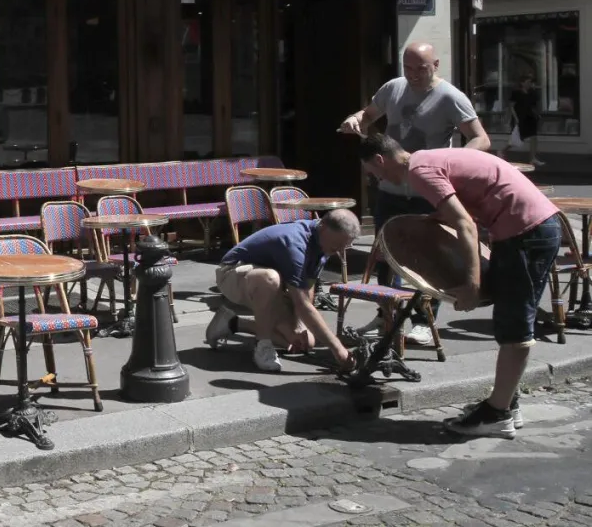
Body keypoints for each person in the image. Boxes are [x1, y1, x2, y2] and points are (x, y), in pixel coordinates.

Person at [358, 133, 560, 438]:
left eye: (373, 173)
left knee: (515, 323)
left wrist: (471, 284)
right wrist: (432, 220)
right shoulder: (427, 158)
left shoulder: (419, 172)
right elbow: (464, 202)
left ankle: (498, 414)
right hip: (531, 227)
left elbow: (466, 224)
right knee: (511, 320)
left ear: (379, 160)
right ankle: (507, 401)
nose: (376, 179)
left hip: (525, 231)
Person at [339, 42, 490, 345]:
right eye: (407, 68)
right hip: (391, 187)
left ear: (435, 65)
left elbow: (481, 139)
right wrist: (356, 119)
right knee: (386, 254)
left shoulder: (450, 97)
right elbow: (368, 115)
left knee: (427, 256)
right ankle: (387, 315)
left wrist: (450, 163)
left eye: (420, 69)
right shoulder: (394, 88)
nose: (413, 75)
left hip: (428, 188)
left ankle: (424, 319)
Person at [206, 210, 362, 373]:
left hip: (272, 286)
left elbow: (307, 287)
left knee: (306, 341)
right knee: (270, 278)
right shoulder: (295, 243)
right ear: (323, 226)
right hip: (232, 274)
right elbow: (302, 304)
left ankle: (231, 322)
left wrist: (298, 328)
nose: (338, 250)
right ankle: (263, 345)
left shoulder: (324, 242)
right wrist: (339, 350)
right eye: (336, 245)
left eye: (344, 246)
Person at [508, 74, 545, 167]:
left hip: (530, 117)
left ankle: (532, 158)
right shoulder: (516, 93)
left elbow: (534, 105)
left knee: (534, 137)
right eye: (527, 82)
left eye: (530, 82)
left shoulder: (532, 92)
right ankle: (503, 150)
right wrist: (516, 118)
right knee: (518, 138)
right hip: (521, 118)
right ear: (522, 83)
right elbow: (511, 106)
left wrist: (538, 115)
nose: (529, 84)